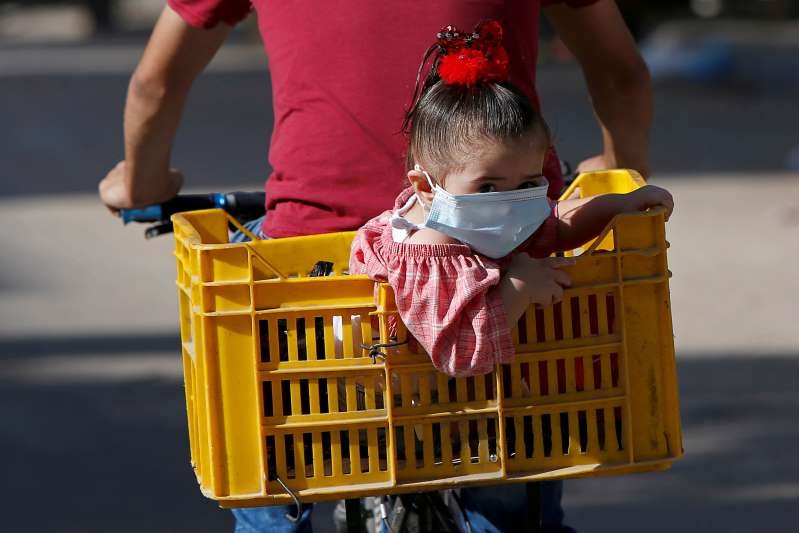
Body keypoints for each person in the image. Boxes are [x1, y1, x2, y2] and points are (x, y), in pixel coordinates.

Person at [98, 1, 654, 531]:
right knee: (517, 451)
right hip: (502, 246)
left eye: (526, 184)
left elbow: (156, 82)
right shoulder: (520, 214)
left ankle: (274, 519)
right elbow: (619, 72)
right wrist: (622, 171)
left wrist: (141, 183)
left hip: (315, 235)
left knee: (273, 438)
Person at [350, 20, 673, 379]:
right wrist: (518, 288)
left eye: (528, 183)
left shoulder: (479, 220)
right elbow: (459, 356)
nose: (510, 202)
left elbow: (555, 223)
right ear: (426, 188)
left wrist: (616, 206)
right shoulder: (430, 253)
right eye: (488, 187)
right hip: (427, 414)